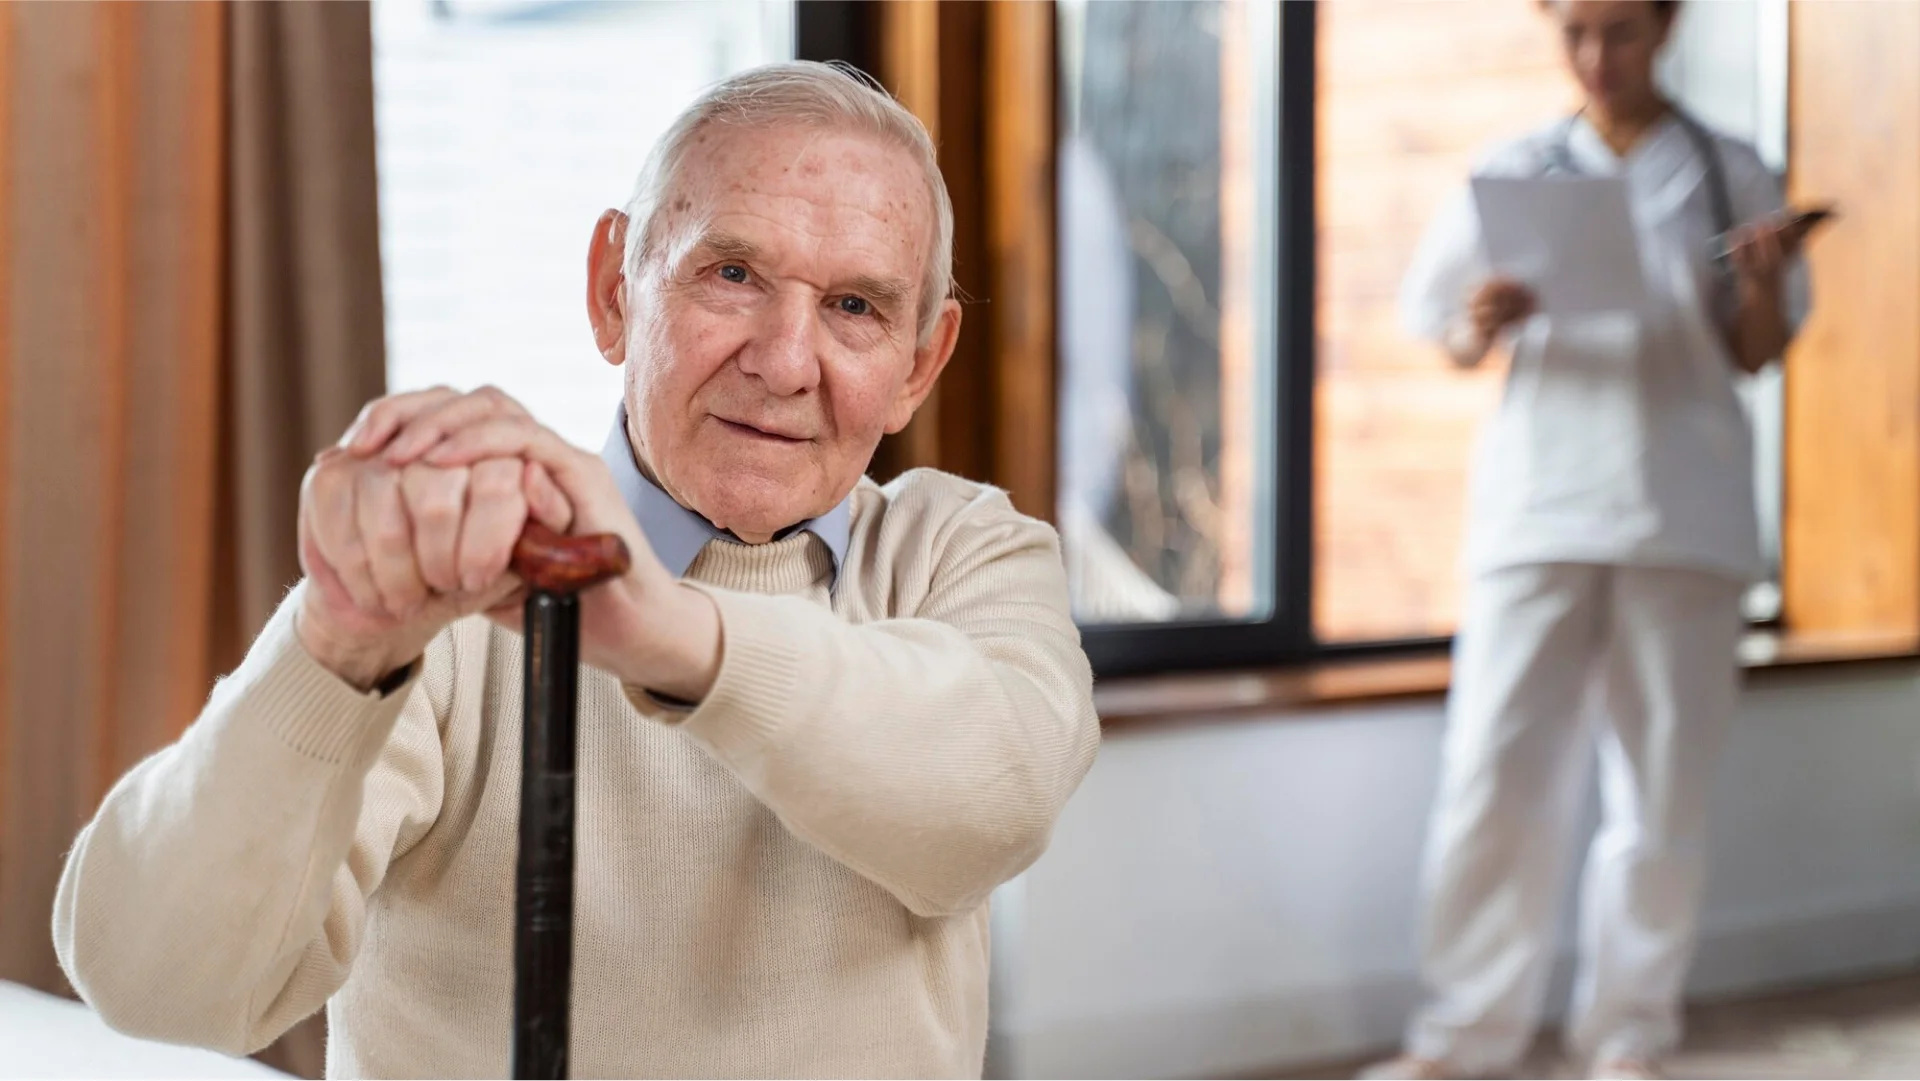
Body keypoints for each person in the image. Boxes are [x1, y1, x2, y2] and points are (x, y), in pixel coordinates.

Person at [53, 61, 1100, 1079]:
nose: (786, 362)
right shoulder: (464, 586)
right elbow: (159, 984)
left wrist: (665, 635)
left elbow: (993, 801)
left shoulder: (963, 553)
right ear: (613, 289)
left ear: (920, 362)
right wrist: (334, 645)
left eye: (856, 308)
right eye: (733, 274)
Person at [1363, 3, 1817, 1079]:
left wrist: (1759, 278)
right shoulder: (1514, 168)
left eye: (1619, 31)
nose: (1595, 57)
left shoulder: (1731, 169)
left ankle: (1627, 1038)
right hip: (1539, 510)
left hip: (1683, 514)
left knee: (1661, 798)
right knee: (1493, 779)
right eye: (1574, 31)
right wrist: (1483, 320)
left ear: (1666, 25)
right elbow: (1447, 331)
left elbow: (1758, 351)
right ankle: (1462, 1036)